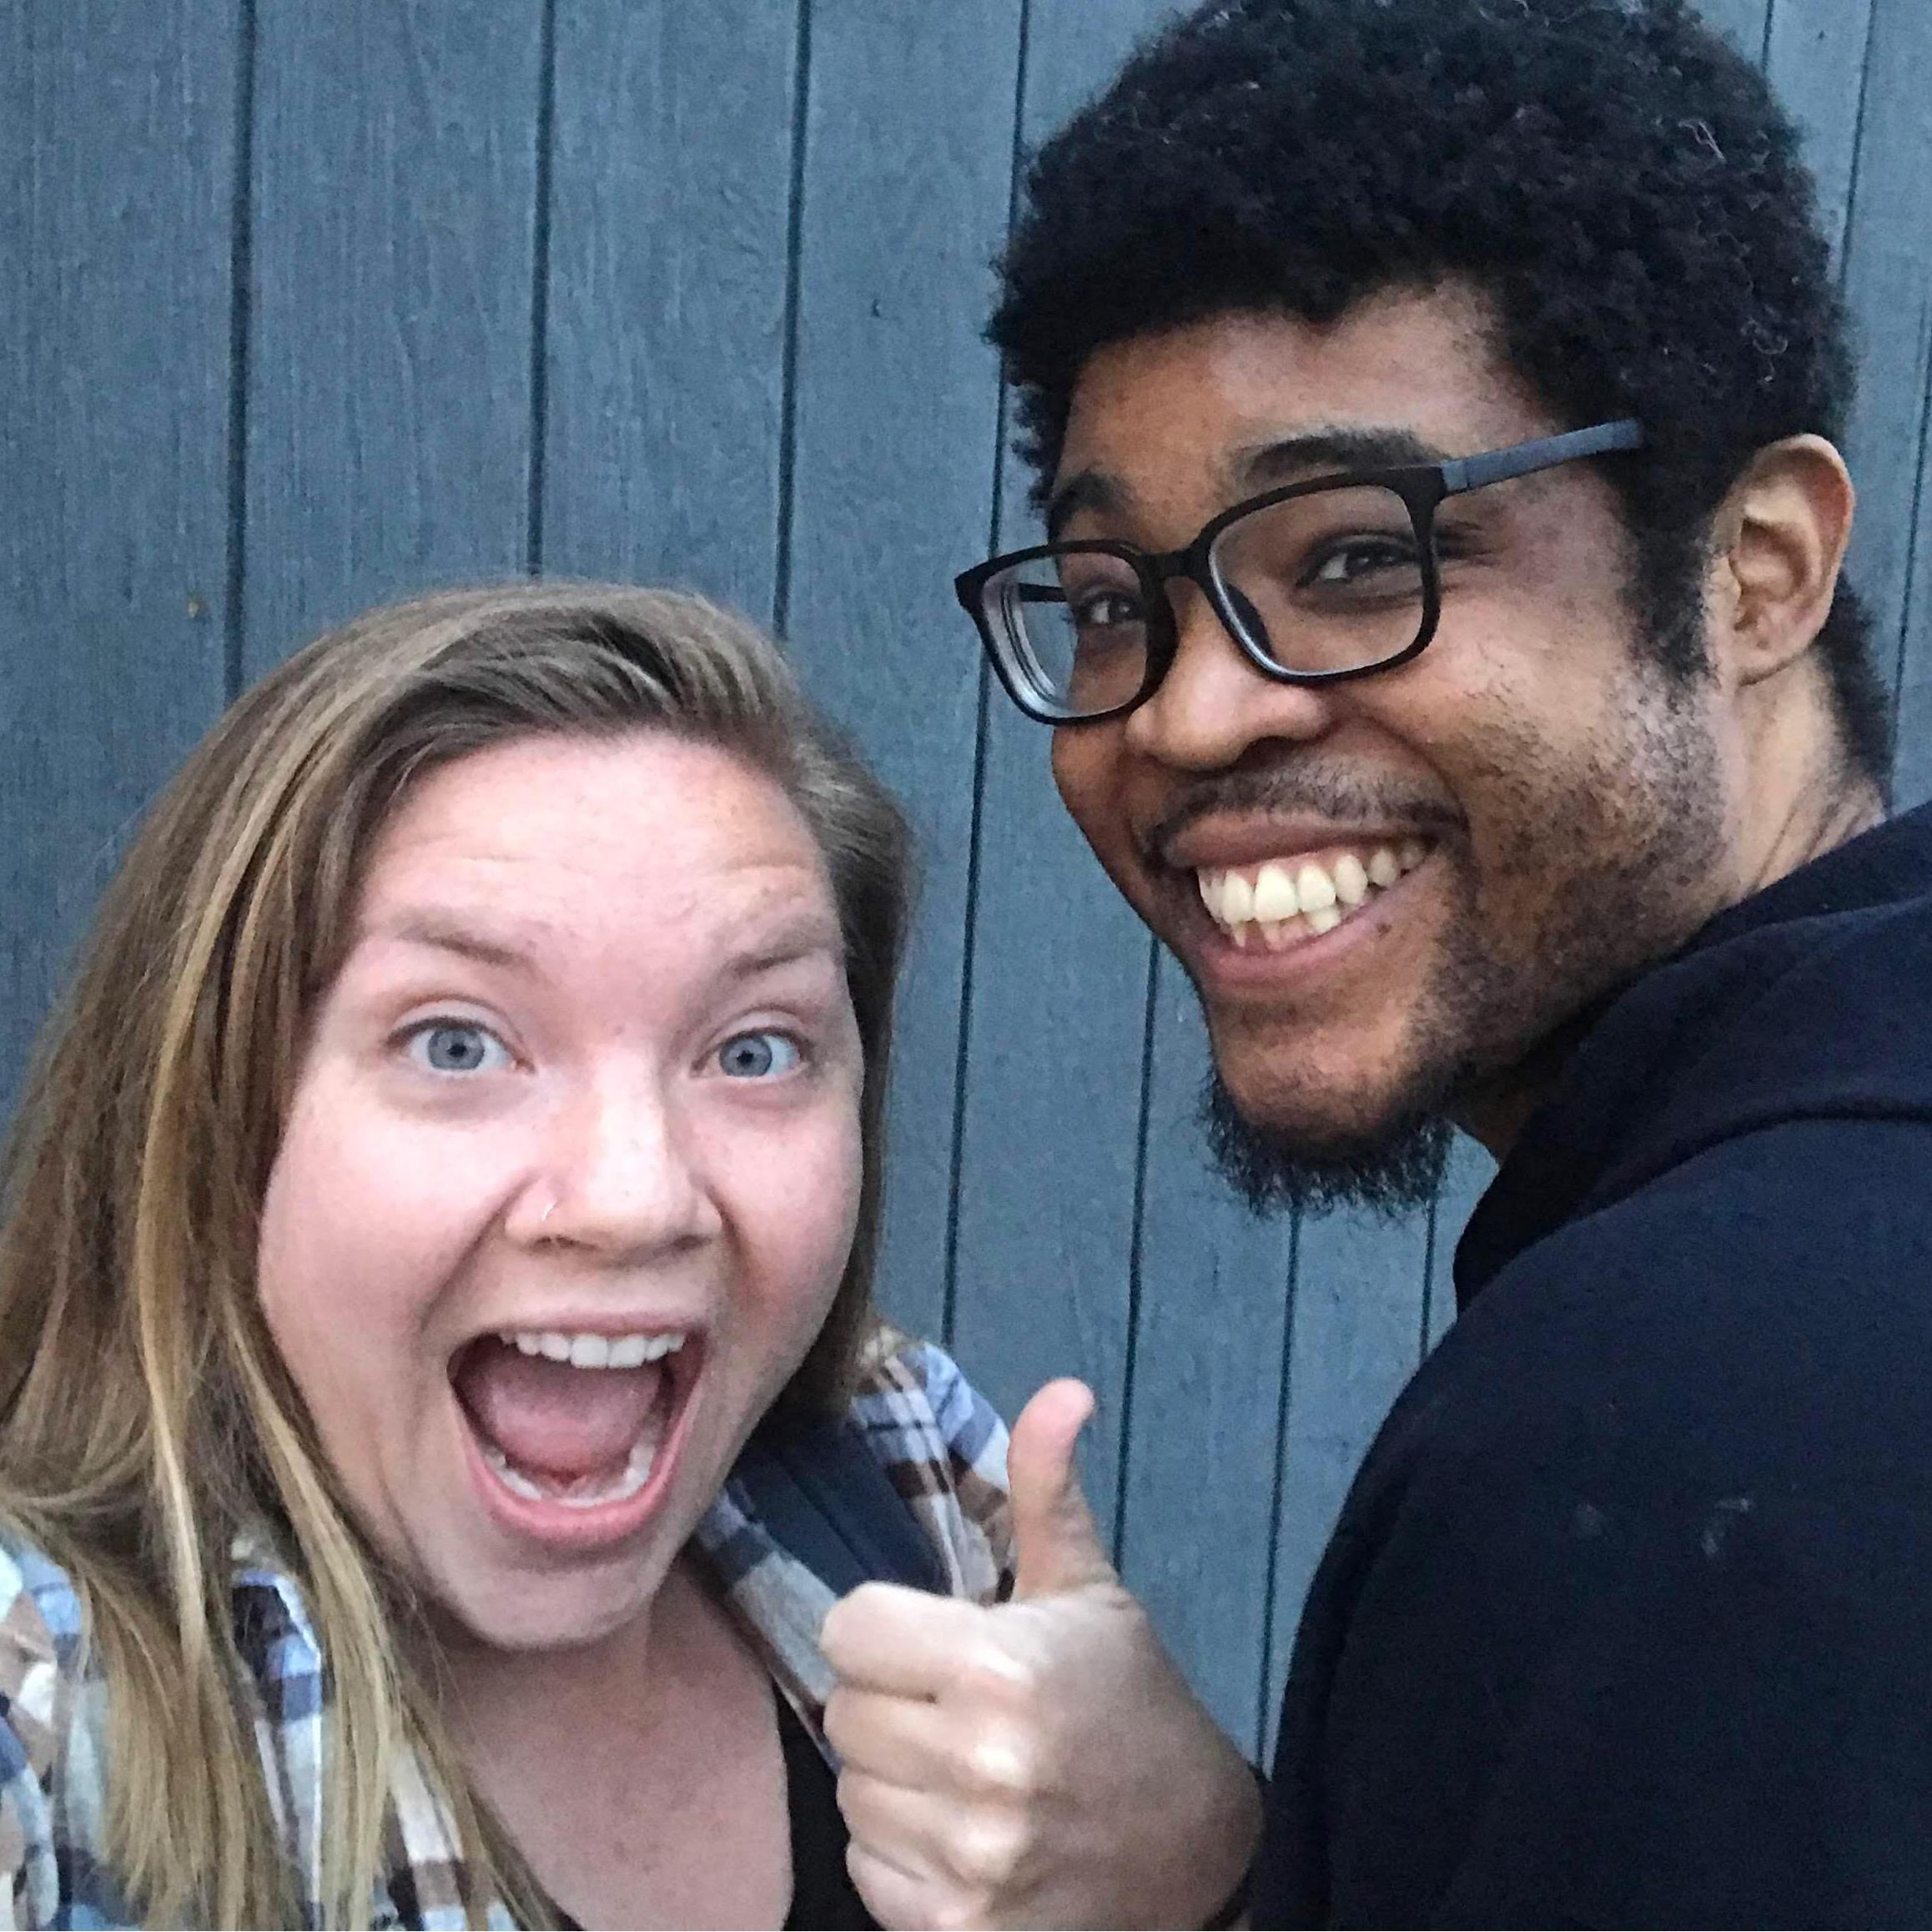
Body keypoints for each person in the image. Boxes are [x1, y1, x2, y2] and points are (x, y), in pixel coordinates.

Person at [825, 0, 1932, 1923]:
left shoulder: (1666, 1439)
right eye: (1109, 602)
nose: (1183, 715)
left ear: (1753, 570)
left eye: (1355, 557)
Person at [0, 581, 1254, 1928]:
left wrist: (1209, 1859)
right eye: (457, 1043)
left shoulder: (906, 1461)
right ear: (216, 1118)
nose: (634, 1201)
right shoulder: (41, 1697)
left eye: (754, 1050)